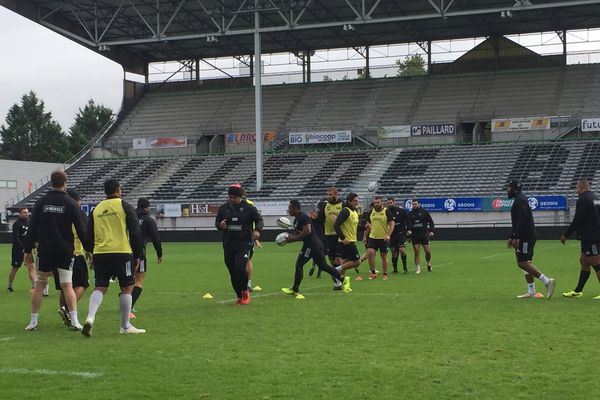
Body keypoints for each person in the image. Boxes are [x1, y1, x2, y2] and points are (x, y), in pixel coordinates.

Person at [23, 170, 86, 331]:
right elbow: (80, 229)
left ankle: (33, 322)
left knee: (40, 285)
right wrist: (89, 249)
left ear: (51, 182)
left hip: (45, 250)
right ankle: (74, 321)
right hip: (65, 251)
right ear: (65, 184)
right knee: (67, 286)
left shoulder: (41, 201)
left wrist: (27, 250)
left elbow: (32, 228)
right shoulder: (70, 203)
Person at [81, 179, 144, 337]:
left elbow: (88, 236)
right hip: (122, 252)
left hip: (100, 253)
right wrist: (138, 255)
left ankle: (90, 317)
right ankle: (125, 326)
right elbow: (135, 233)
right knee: (126, 288)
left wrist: (90, 251)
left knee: (100, 287)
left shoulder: (96, 209)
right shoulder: (124, 206)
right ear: (118, 189)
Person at [280, 200, 347, 295]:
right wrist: (289, 238)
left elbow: (307, 231)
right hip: (316, 245)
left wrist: (294, 239)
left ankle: (295, 289)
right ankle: (343, 279)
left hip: (310, 246)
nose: (289, 210)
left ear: (295, 208)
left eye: (290, 208)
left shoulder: (302, 216)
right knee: (323, 266)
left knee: (299, 265)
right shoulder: (296, 220)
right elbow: (299, 234)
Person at [506, 180, 556, 299]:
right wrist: (511, 236)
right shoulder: (520, 199)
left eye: (509, 188)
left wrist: (517, 237)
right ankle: (531, 291)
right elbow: (518, 222)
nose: (507, 190)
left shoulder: (520, 201)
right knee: (526, 263)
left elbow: (522, 221)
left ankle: (547, 282)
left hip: (525, 237)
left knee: (522, 263)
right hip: (526, 236)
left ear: (514, 189)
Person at [215, 185, 263, 305]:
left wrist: (257, 230)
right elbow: (217, 223)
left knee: (240, 268)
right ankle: (239, 295)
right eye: (230, 197)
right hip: (228, 245)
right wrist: (221, 225)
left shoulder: (249, 208)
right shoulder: (223, 208)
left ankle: (245, 292)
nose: (231, 199)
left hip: (244, 244)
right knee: (232, 271)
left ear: (240, 197)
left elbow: (259, 220)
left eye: (234, 197)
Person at [52, 189, 90, 327]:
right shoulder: (77, 212)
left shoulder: (58, 213)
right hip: (75, 253)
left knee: (64, 287)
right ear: (77, 200)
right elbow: (83, 232)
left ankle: (64, 312)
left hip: (57, 253)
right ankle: (68, 310)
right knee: (82, 284)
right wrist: (89, 250)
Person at [561, 179, 600, 298]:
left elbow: (577, 219)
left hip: (591, 236)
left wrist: (566, 235)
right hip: (591, 235)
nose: (576, 190)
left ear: (581, 187)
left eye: (577, 187)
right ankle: (578, 291)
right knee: (584, 261)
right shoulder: (595, 198)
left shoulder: (583, 199)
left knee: (596, 262)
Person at [131, 197, 163, 317]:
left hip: (125, 252)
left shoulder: (129, 218)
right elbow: (156, 238)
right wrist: (159, 253)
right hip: (140, 254)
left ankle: (125, 302)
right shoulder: (148, 220)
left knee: (128, 281)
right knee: (139, 281)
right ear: (146, 207)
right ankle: (129, 306)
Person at [309, 187, 344, 274]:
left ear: (336, 194)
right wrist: (314, 218)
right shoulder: (325, 205)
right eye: (327, 195)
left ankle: (340, 279)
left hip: (339, 235)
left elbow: (347, 220)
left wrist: (337, 221)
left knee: (339, 259)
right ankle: (337, 277)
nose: (328, 196)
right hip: (328, 235)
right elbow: (320, 220)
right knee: (332, 260)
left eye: (330, 195)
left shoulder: (343, 205)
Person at [331, 192, 360, 291]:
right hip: (347, 242)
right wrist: (343, 238)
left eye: (357, 200)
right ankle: (335, 270)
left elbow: (354, 227)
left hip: (351, 240)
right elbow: (336, 225)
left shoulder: (355, 211)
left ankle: (338, 284)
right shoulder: (345, 211)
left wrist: (365, 227)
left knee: (345, 263)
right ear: (349, 201)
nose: (357, 202)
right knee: (357, 261)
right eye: (355, 201)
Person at [363, 197, 394, 280]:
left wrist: (388, 235)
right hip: (372, 237)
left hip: (383, 238)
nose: (376, 204)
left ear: (381, 203)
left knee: (383, 255)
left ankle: (385, 274)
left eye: (378, 202)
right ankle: (373, 273)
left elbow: (391, 224)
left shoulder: (386, 211)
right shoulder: (370, 212)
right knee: (370, 253)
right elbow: (368, 225)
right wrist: (365, 236)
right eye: (375, 203)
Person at [7, 207, 36, 293]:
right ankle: (10, 286)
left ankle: (34, 286)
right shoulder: (16, 224)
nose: (27, 214)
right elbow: (16, 238)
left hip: (27, 250)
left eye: (27, 212)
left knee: (31, 267)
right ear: (20, 214)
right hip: (18, 250)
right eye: (24, 213)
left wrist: (33, 246)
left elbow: (31, 236)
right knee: (15, 268)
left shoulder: (30, 222)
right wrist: (23, 248)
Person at [407, 199, 435, 274]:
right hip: (415, 235)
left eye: (415, 204)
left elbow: (431, 222)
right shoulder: (410, 214)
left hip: (424, 235)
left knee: (428, 252)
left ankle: (428, 263)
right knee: (416, 251)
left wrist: (431, 231)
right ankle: (418, 268)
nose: (414, 205)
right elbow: (408, 225)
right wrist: (408, 237)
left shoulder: (424, 212)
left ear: (419, 204)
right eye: (413, 204)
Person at [387, 198, 411, 273]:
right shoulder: (386, 212)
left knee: (402, 250)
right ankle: (395, 269)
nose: (389, 204)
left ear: (394, 202)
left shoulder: (400, 210)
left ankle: (405, 267)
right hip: (391, 235)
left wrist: (409, 229)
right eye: (388, 203)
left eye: (390, 202)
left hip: (401, 234)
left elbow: (408, 219)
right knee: (393, 252)